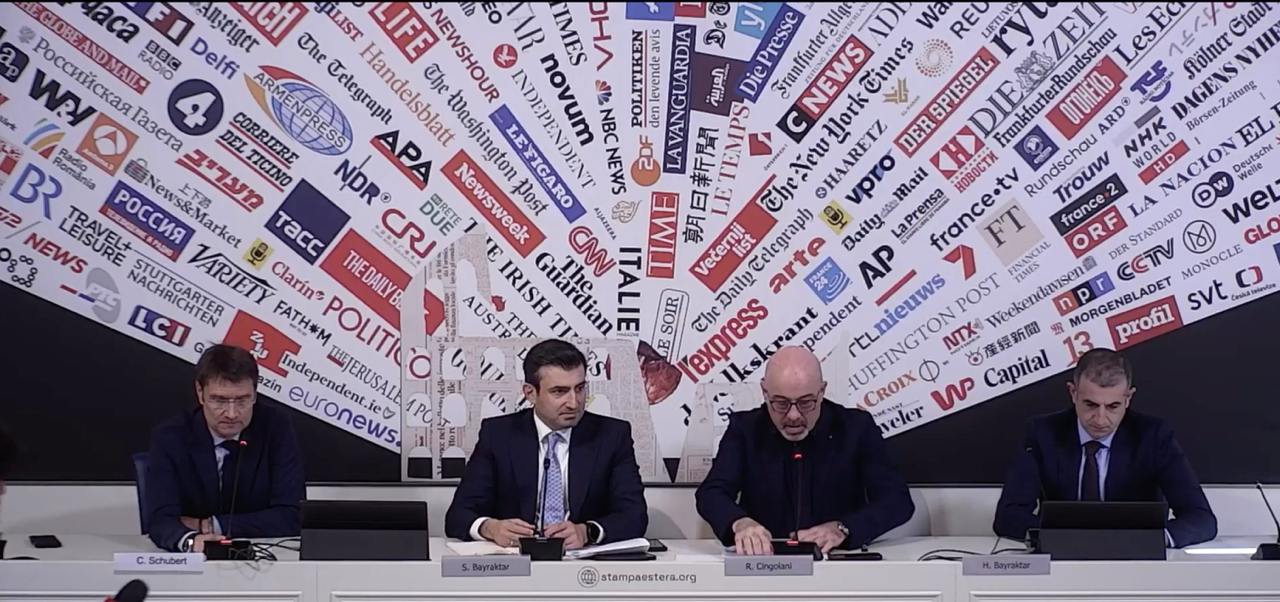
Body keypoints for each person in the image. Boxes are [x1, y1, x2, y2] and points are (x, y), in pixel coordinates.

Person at [696, 346, 915, 555]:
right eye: (781, 403)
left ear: (822, 392)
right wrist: (740, 523)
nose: (793, 416)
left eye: (806, 402)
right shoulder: (745, 429)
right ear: (764, 392)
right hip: (764, 562)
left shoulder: (856, 428)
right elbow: (711, 493)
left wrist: (844, 528)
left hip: (838, 561)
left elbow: (897, 500)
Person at [993, 348, 1217, 547]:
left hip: (1135, 559)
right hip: (1063, 558)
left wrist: (1151, 540)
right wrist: (1061, 539)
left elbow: (1201, 518)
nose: (1100, 419)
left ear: (1128, 398)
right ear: (1073, 393)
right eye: (1090, 404)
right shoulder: (1043, 433)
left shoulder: (1153, 436)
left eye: (1113, 406)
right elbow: (1008, 516)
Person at [445, 339, 648, 549]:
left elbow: (635, 516)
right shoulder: (499, 435)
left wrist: (587, 531)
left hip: (583, 560)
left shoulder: (611, 436)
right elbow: (458, 515)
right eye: (559, 391)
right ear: (530, 393)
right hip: (516, 559)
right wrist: (491, 528)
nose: (574, 403)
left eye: (579, 389)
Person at [145, 344, 305, 552]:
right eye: (219, 400)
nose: (231, 413)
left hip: (261, 556)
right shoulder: (171, 437)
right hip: (193, 560)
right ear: (200, 393)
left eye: (242, 400)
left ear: (255, 394)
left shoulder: (276, 427)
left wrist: (209, 525)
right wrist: (192, 541)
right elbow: (160, 520)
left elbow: (293, 515)